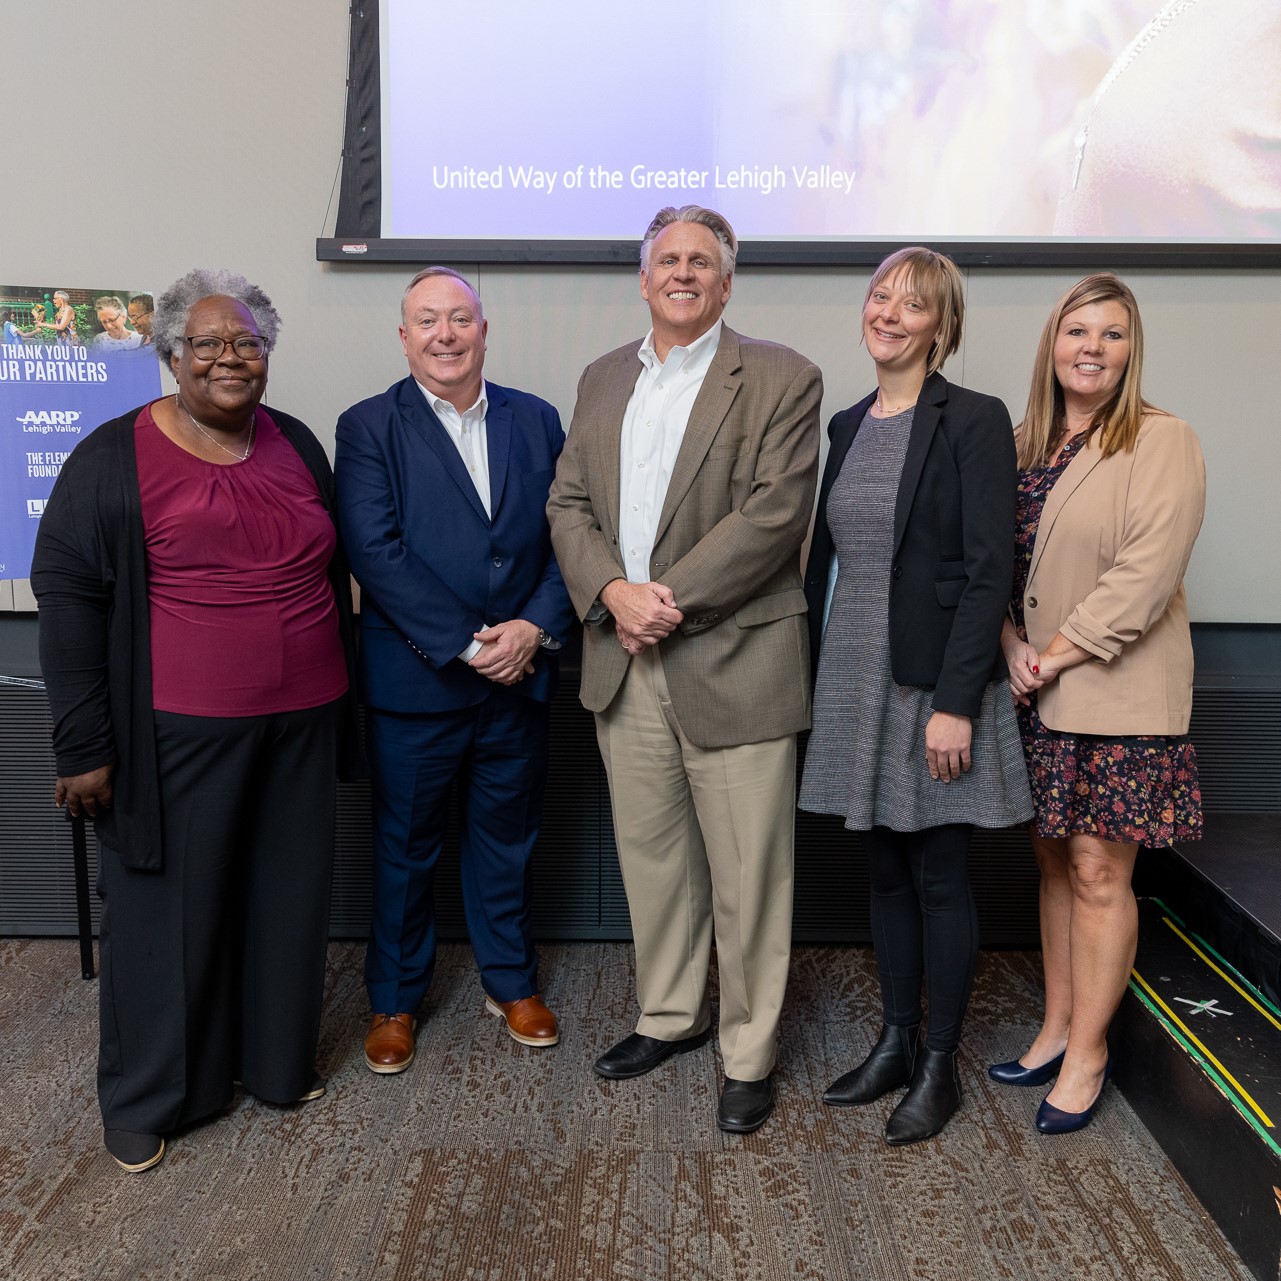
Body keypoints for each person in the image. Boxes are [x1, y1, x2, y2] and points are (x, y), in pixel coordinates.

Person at [30, 268, 358, 1174]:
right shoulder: (111, 457)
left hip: (302, 723)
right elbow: (66, 598)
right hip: (176, 734)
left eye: (245, 342)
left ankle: (273, 1067)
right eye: (207, 343)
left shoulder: (294, 441)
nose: (228, 357)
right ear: (171, 355)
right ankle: (149, 1097)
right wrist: (85, 742)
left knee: (284, 903)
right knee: (166, 914)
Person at [547, 205, 822, 1134]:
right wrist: (612, 595)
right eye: (667, 258)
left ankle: (748, 1052)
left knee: (750, 875)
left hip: (733, 656)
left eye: (701, 260)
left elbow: (774, 517)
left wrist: (658, 599)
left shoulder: (782, 376)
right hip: (620, 660)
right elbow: (568, 502)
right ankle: (670, 1014)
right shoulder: (599, 378)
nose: (683, 272)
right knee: (654, 860)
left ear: (726, 280)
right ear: (642, 277)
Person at [799, 246, 1033, 1145]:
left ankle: (939, 1063)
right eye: (880, 297)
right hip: (854, 668)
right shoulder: (848, 424)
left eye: (913, 304)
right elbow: (839, 560)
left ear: (941, 325)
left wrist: (954, 698)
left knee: (937, 871)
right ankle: (893, 1042)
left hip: (932, 680)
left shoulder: (971, 418)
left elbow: (987, 569)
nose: (890, 313)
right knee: (883, 871)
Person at [335, 267, 574, 1074]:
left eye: (459, 318)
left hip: (522, 676)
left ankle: (511, 982)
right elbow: (376, 551)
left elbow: (566, 537)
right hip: (419, 682)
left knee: (505, 840)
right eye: (427, 320)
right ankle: (395, 999)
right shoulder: (368, 426)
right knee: (404, 848)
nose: (445, 334)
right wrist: (474, 645)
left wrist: (535, 628)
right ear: (403, 337)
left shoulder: (536, 420)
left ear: (483, 328)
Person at [989, 273, 1205, 1133]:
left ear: (1130, 349)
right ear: (1051, 342)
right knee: (1049, 861)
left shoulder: (1162, 440)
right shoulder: (1017, 445)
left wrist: (1051, 653)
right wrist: (1009, 645)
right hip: (1031, 685)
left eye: (1111, 334)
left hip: (1113, 689)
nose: (1092, 347)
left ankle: (1088, 1052)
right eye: (1077, 330)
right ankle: (1053, 1027)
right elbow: (988, 567)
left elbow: (1144, 578)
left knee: (1096, 869)